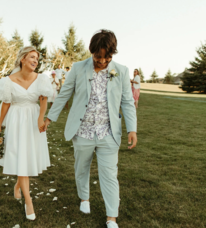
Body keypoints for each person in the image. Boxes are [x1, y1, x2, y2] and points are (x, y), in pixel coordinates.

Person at [44, 30, 137, 228]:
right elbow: (63, 95)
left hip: (108, 132)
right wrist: (50, 118)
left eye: (107, 57)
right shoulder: (78, 68)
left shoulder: (121, 70)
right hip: (82, 131)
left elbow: (127, 101)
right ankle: (84, 198)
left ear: (113, 54)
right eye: (98, 57)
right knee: (81, 168)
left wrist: (132, 129)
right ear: (91, 51)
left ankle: (111, 216)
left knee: (110, 174)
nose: (103, 61)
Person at [0, 46, 53, 221]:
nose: (35, 61)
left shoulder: (41, 79)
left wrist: (41, 118)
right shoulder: (8, 81)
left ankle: (18, 186)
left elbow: (43, 99)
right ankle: (29, 201)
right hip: (16, 120)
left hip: (33, 120)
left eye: (37, 59)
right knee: (20, 155)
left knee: (28, 156)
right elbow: (6, 103)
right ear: (22, 59)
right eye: (32, 57)